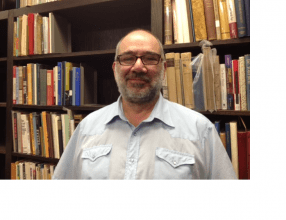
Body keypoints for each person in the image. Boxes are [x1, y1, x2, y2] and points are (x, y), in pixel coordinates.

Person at [52, 29, 237, 179]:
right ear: (115, 68)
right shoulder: (87, 128)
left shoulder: (200, 130)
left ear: (163, 69)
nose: (138, 67)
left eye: (149, 58)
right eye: (128, 58)